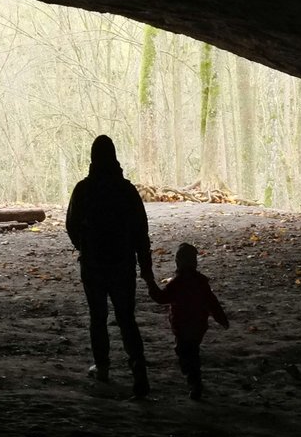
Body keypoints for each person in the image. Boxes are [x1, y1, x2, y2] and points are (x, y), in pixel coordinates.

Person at [64, 134, 156, 396]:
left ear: (92, 158)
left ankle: (103, 367)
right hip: (122, 263)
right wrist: (145, 267)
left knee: (98, 317)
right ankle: (139, 371)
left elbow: (71, 225)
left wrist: (85, 247)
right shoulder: (126, 190)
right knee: (127, 318)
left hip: (93, 263)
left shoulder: (83, 190)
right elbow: (141, 231)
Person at [148, 242, 230, 400]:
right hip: (199, 325)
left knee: (185, 353)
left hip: (181, 326)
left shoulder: (177, 284)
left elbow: (160, 298)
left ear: (177, 262)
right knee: (193, 351)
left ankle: (194, 383)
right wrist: (222, 319)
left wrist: (151, 283)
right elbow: (213, 303)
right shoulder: (201, 282)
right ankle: (195, 381)